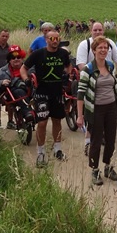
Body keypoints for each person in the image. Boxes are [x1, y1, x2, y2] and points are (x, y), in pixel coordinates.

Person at [76, 36, 117, 185]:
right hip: (95, 109)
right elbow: (80, 94)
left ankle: (108, 167)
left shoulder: (111, 66)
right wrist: (80, 116)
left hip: (111, 107)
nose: (103, 50)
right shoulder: (88, 70)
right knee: (96, 141)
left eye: (106, 48)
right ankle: (94, 170)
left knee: (111, 140)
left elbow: (116, 87)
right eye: (100, 48)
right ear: (94, 50)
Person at [21, 30, 72, 167]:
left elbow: (68, 65)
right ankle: (41, 152)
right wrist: (26, 79)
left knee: (57, 121)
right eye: (51, 38)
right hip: (42, 93)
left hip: (57, 93)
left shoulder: (63, 53)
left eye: (57, 38)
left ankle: (58, 149)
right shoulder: (38, 54)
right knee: (42, 123)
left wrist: (68, 74)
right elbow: (23, 68)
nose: (55, 40)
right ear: (46, 40)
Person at [0, 45, 33, 129]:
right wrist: (1, 82)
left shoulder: (30, 68)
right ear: (9, 60)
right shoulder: (1, 72)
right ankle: (27, 113)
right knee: (17, 91)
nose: (16, 59)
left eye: (18, 57)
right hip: (10, 95)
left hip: (29, 92)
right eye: (13, 57)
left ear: (22, 58)